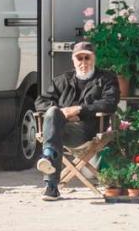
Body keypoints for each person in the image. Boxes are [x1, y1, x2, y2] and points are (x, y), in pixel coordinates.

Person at [34, 42, 118, 201]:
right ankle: (49, 164)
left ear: (94, 59)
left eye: (87, 58)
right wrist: (63, 112)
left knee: (53, 122)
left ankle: (50, 179)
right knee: (52, 111)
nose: (83, 62)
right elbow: (41, 102)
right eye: (80, 58)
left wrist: (80, 110)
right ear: (73, 60)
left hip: (87, 131)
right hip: (59, 130)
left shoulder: (106, 79)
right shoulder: (62, 80)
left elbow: (110, 103)